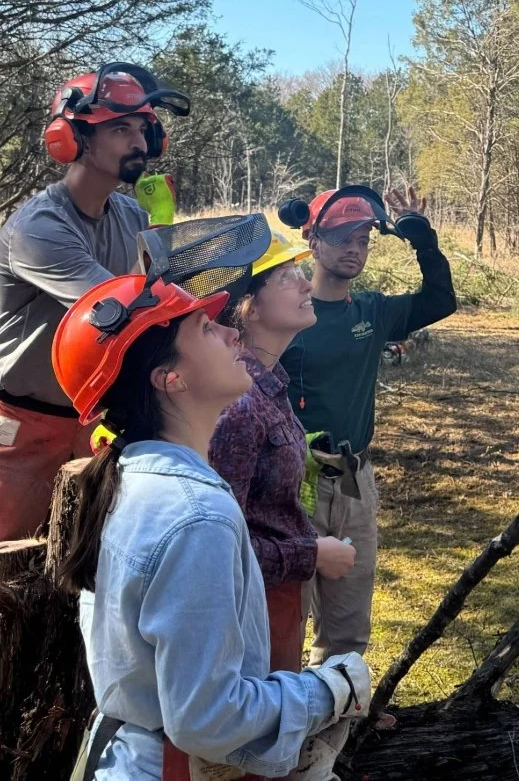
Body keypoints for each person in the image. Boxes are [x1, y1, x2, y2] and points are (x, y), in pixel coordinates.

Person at [53, 269, 370, 780]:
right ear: (169, 378)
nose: (229, 332)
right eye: (204, 329)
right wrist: (331, 689)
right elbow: (209, 720)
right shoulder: (196, 515)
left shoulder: (133, 474)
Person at [0, 63, 184, 538]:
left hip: (90, 416)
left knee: (83, 555)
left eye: (143, 129)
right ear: (72, 139)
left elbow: (155, 289)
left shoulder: (129, 214)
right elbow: (118, 312)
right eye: (121, 128)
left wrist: (163, 230)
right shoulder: (38, 228)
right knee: (10, 554)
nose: (139, 143)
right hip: (20, 419)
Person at [278, 184, 456, 672]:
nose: (354, 250)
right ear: (312, 241)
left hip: (356, 482)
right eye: (342, 239)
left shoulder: (372, 312)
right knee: (284, 618)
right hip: (295, 483)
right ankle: (282, 724)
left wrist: (422, 239)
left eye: (363, 240)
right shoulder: (286, 312)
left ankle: (339, 716)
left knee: (348, 623)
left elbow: (440, 300)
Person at [209, 234, 356, 681]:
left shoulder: (269, 383)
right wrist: (310, 554)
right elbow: (220, 553)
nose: (306, 284)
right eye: (288, 276)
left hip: (274, 597)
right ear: (249, 305)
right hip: (252, 607)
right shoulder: (239, 403)